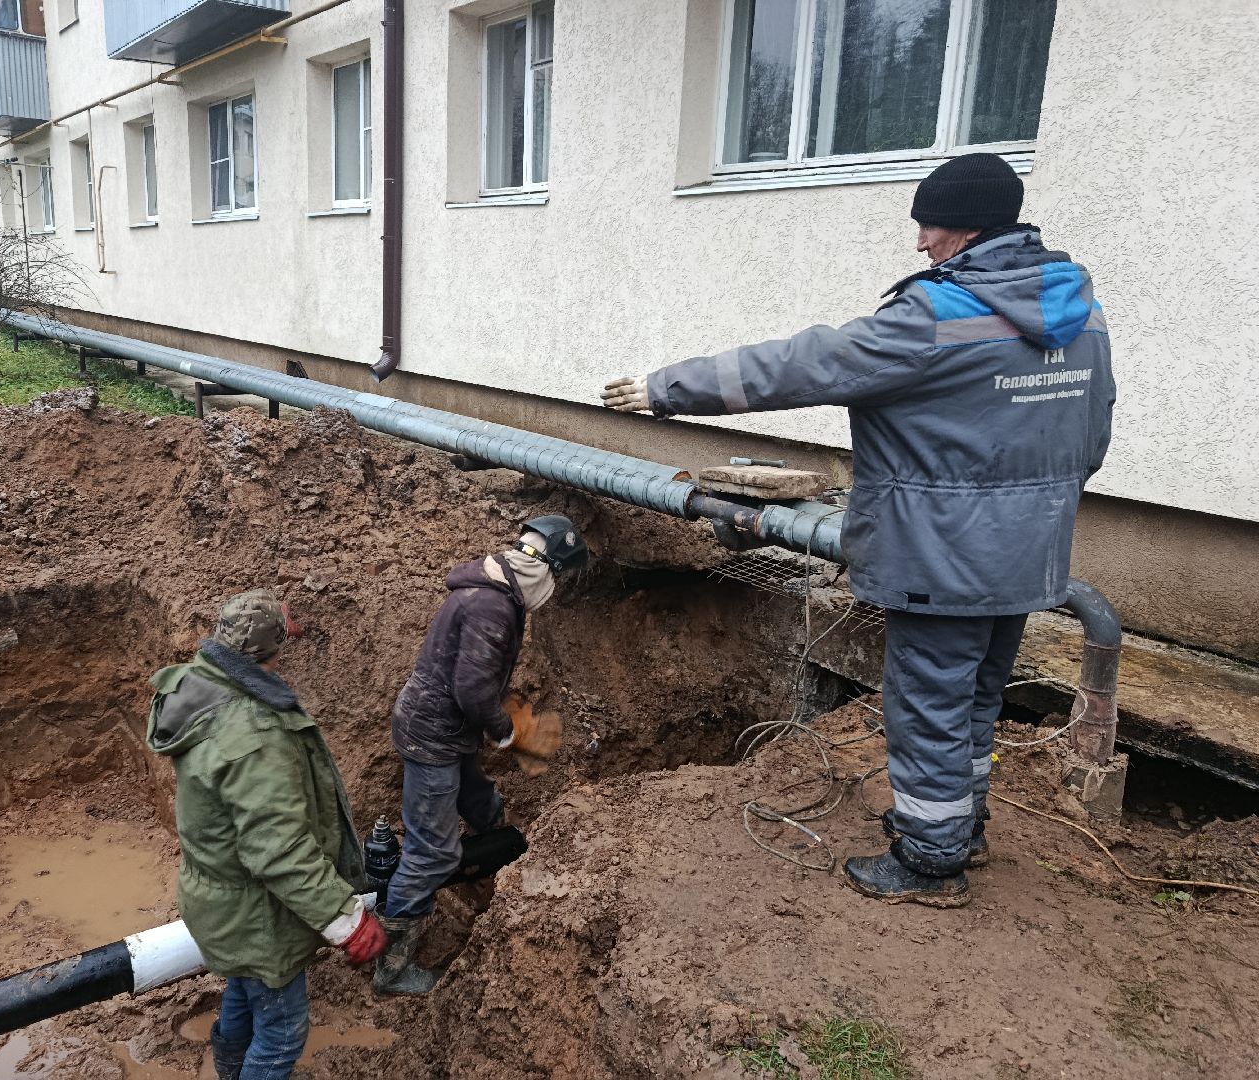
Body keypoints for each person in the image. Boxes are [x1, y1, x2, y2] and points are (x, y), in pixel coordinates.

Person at [601, 153, 1115, 908]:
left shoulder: (938, 317)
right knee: (975, 701)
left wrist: (663, 390)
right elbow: (1091, 437)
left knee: (928, 706)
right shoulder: (1080, 312)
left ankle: (930, 865)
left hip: (943, 559)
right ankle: (957, 827)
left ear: (966, 225)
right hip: (1026, 553)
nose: (919, 244)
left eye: (928, 225)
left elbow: (802, 366)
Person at [146, 590, 387, 1079]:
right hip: (257, 914)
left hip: (220, 899)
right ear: (271, 652)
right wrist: (346, 920)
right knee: (281, 1034)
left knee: (244, 992)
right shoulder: (254, 736)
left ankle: (230, 1069)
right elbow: (278, 851)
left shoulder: (199, 684)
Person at [374, 516, 588, 994]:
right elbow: (471, 689)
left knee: (482, 803)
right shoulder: (493, 607)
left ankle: (492, 868)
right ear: (547, 570)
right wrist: (505, 731)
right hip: (435, 735)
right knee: (430, 852)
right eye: (559, 578)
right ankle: (391, 966)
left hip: (447, 727)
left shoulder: (493, 590)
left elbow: (473, 678)